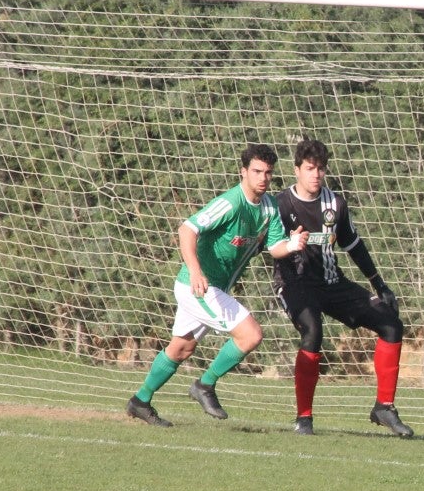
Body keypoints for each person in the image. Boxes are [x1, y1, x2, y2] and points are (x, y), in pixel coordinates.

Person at [126, 144, 307, 427]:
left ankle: (140, 401)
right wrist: (196, 271)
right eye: (257, 171)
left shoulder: (270, 207)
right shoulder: (231, 203)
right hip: (196, 286)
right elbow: (187, 229)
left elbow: (275, 247)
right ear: (243, 172)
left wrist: (292, 245)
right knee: (251, 335)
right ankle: (205, 385)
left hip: (214, 289)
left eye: (268, 173)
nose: (263, 178)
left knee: (181, 349)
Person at [271, 138, 413, 437]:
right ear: (297, 169)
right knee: (313, 330)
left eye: (321, 169)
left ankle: (384, 408)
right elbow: (267, 246)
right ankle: (304, 419)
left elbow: (353, 246)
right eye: (310, 168)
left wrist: (379, 283)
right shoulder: (280, 204)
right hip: (294, 284)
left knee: (390, 324)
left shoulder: (334, 204)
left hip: (332, 283)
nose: (316, 175)